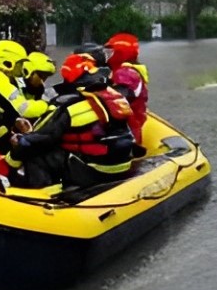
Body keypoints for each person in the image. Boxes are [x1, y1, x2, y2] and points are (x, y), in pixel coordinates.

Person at [7, 54, 137, 189]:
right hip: (123, 164)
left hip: (96, 171)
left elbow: (43, 138)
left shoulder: (72, 109)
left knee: (37, 155)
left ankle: (45, 194)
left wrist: (18, 145)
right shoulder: (116, 100)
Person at [104, 33, 149, 147]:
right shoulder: (123, 70)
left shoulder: (126, 73)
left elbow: (118, 99)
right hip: (130, 129)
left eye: (111, 52)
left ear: (121, 53)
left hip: (127, 133)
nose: (108, 56)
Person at [18, 52, 56, 120]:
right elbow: (22, 109)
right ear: (28, 72)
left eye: (45, 77)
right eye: (41, 76)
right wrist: (45, 105)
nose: (42, 81)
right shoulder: (16, 87)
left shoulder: (39, 90)